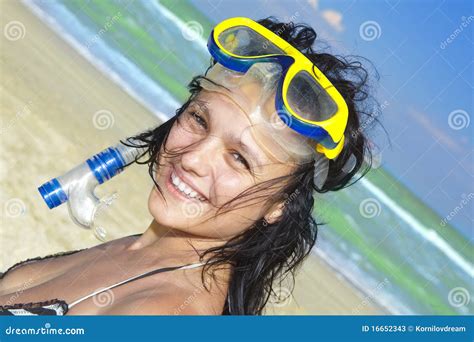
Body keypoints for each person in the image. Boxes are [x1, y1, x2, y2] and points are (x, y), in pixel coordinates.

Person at [0, 16, 379, 315]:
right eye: (199, 120)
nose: (193, 157)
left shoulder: (169, 312)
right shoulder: (143, 252)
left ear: (279, 204)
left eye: (240, 158)